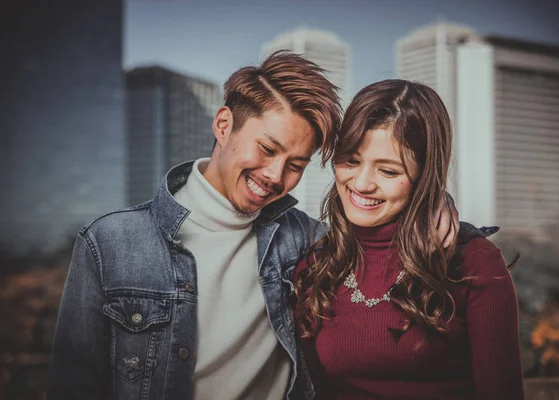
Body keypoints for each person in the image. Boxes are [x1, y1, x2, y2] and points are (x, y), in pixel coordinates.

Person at [48, 52, 458, 400]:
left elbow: (382, 228)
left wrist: (435, 202)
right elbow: (73, 384)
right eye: (267, 149)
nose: (275, 175)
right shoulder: (110, 244)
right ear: (224, 125)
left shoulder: (308, 242)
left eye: (296, 165)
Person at [295, 79, 524, 400]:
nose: (361, 183)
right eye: (351, 160)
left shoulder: (475, 262)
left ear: (424, 176)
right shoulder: (314, 266)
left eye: (387, 171)